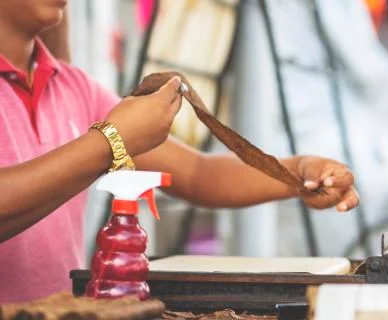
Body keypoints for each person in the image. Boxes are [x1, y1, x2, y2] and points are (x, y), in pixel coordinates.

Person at [0, 0, 359, 303]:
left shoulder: (75, 89)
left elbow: (197, 174)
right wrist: (111, 140)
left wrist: (299, 173)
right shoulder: (97, 117)